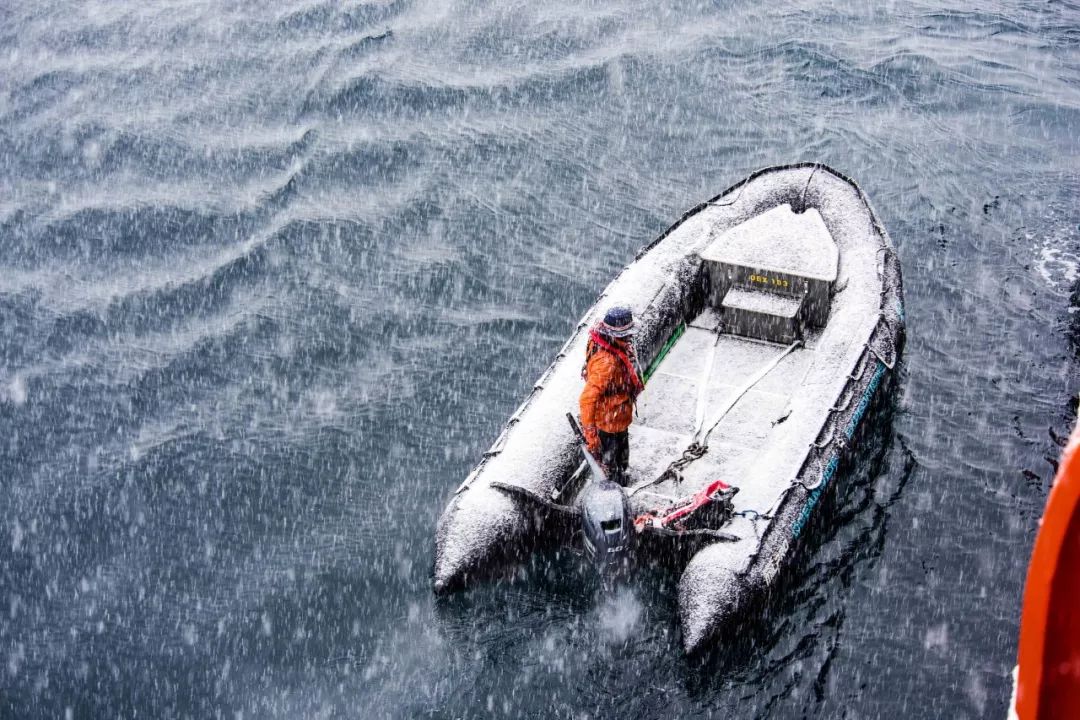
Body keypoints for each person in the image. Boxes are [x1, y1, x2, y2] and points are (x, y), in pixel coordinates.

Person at [579, 305, 644, 485]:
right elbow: (587, 399)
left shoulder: (600, 342)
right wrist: (591, 434)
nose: (630, 338)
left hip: (616, 416)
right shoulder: (607, 363)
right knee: (613, 462)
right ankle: (617, 485)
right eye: (627, 335)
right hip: (610, 422)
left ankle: (620, 475)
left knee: (619, 454)